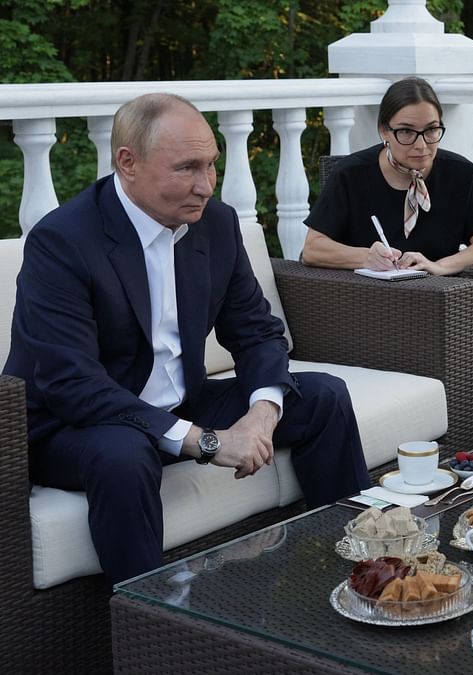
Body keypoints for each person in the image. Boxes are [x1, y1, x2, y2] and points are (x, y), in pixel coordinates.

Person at [3, 93, 372, 584]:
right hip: (73, 426)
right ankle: (154, 619)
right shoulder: (62, 241)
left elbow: (258, 331)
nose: (205, 185)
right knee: (124, 455)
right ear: (127, 163)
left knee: (323, 395)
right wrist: (207, 441)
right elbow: (72, 384)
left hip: (181, 404)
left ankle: (355, 566)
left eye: (212, 165)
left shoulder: (215, 225)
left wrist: (261, 415)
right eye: (187, 168)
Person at [301, 76, 473, 275]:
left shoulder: (462, 175)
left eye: (431, 129)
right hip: (363, 298)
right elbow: (313, 249)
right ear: (384, 131)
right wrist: (366, 257)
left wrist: (440, 266)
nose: (421, 145)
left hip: (439, 298)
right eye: (406, 131)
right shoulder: (350, 175)